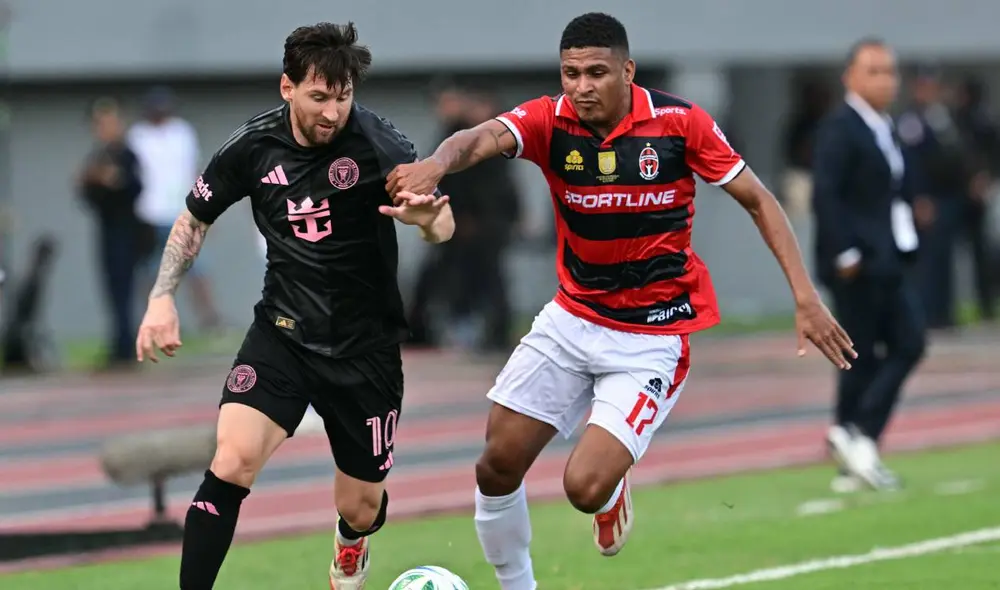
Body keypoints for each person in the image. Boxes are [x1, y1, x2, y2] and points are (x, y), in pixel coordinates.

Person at [388, 12, 855, 590]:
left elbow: (759, 200)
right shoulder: (550, 119)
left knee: (582, 487)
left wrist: (805, 298)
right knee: (495, 465)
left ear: (627, 71)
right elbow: (477, 137)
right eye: (570, 73)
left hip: (651, 337)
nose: (581, 86)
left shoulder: (680, 124)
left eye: (597, 72)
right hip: (572, 318)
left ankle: (610, 489)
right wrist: (436, 164)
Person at [134, 22, 454, 590]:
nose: (334, 111)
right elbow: (194, 218)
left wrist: (428, 219)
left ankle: (351, 542)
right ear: (288, 88)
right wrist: (162, 298)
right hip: (282, 335)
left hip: (365, 351)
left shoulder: (382, 146)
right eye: (319, 96)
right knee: (231, 461)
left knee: (361, 505)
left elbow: (440, 223)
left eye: (344, 96)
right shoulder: (251, 147)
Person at [811, 39, 926, 493]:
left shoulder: (885, 125)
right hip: (858, 261)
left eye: (890, 71)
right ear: (851, 77)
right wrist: (846, 255)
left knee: (890, 346)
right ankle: (855, 435)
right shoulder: (841, 127)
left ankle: (855, 444)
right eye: (875, 71)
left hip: (887, 254)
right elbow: (827, 194)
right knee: (889, 345)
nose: (886, 80)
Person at [129, 87, 225, 332]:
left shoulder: (182, 131)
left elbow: (195, 170)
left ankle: (210, 321)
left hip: (183, 211)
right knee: (151, 269)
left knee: (197, 268)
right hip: (149, 213)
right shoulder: (138, 135)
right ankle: (152, 319)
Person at [77, 97, 144, 369]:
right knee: (112, 288)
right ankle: (120, 342)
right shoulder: (97, 156)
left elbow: (135, 187)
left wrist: (113, 181)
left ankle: (128, 345)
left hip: (127, 229)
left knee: (127, 286)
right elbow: (88, 194)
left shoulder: (128, 155)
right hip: (107, 229)